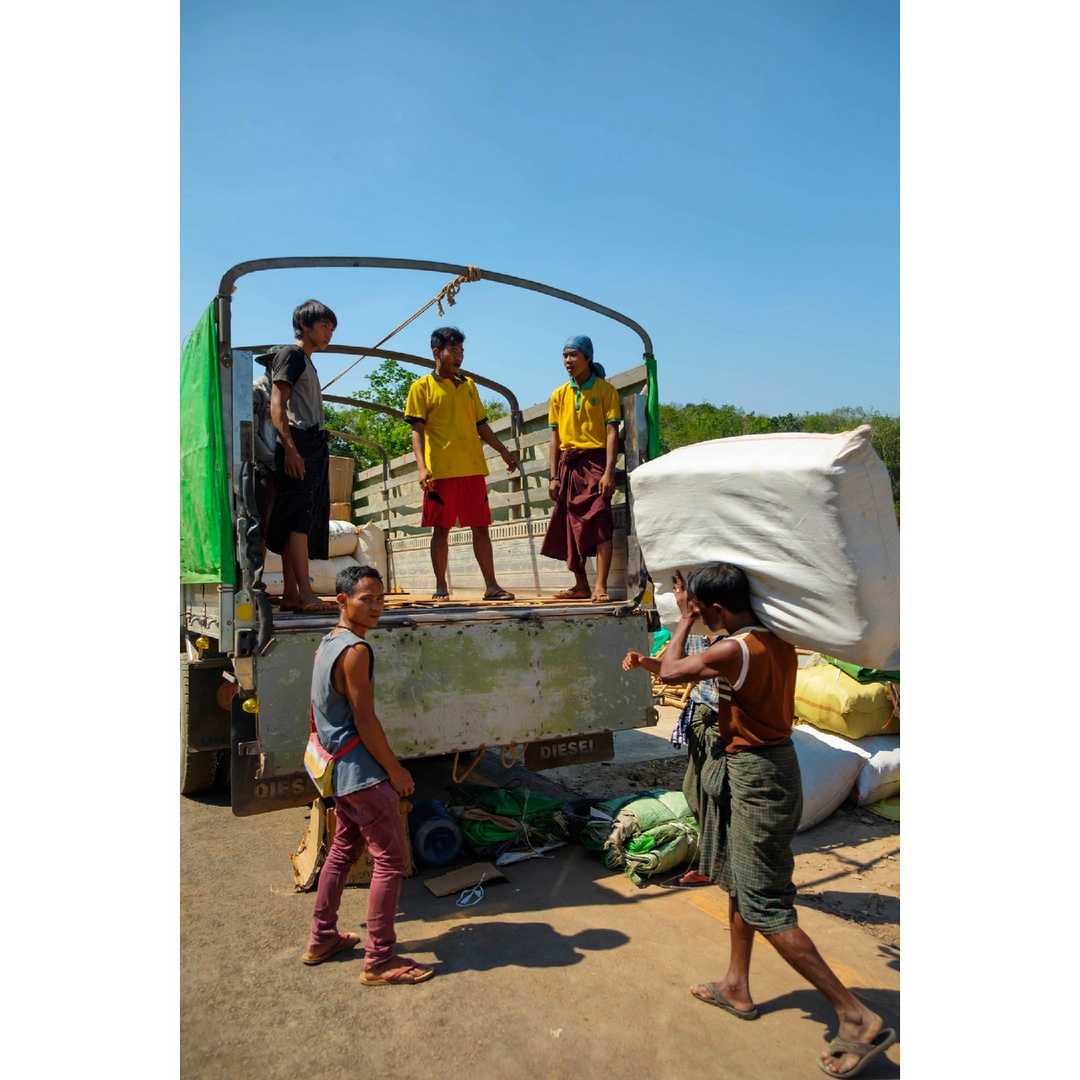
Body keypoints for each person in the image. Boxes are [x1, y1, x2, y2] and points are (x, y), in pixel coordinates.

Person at [653, 562, 895, 1077]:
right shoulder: (777, 640)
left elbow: (673, 670)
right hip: (768, 768)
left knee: (765, 905)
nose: (698, 614)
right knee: (743, 881)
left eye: (703, 608)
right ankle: (736, 986)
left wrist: (684, 621)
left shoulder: (735, 648)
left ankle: (855, 1015)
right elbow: (679, 671)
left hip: (760, 776)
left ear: (716, 608)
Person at [302, 563, 435, 985]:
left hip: (336, 771)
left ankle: (322, 937)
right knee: (392, 860)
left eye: (381, 598)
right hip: (361, 773)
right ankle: (379, 961)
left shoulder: (327, 643)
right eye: (367, 598)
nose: (377, 606)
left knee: (342, 853)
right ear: (342, 600)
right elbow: (365, 720)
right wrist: (395, 771)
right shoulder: (356, 651)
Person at [404, 326, 519, 600]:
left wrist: (504, 451)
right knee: (440, 529)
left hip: (472, 468)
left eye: (461, 351)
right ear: (437, 352)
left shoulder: (469, 386)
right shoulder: (421, 388)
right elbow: (417, 430)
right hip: (440, 471)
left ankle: (492, 586)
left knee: (481, 527)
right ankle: (441, 587)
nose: (459, 357)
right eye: (453, 351)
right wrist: (422, 466)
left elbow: (482, 425)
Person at [622, 575, 721, 885]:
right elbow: (672, 672)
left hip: (722, 723)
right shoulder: (694, 635)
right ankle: (712, 861)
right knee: (695, 791)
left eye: (685, 597)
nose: (680, 599)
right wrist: (643, 662)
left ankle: (717, 867)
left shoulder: (729, 639)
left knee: (717, 795)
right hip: (700, 718)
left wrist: (685, 619)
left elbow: (673, 671)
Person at [266, 300, 337, 613]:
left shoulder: (308, 361)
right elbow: (277, 405)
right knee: (298, 521)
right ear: (305, 326)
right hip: (300, 444)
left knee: (301, 518)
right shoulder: (291, 355)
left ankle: (292, 594)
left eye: (331, 329)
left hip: (312, 446)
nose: (328, 334)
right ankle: (306, 594)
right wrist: (292, 450)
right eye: (324, 327)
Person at [540, 335, 621, 602]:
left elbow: (611, 432)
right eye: (564, 356)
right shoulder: (558, 394)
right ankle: (580, 584)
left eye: (573, 355)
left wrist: (609, 471)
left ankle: (600, 585)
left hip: (595, 463)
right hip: (569, 466)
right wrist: (553, 476)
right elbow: (555, 438)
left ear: (588, 357)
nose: (568, 361)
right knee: (569, 526)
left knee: (599, 522)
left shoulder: (605, 391)